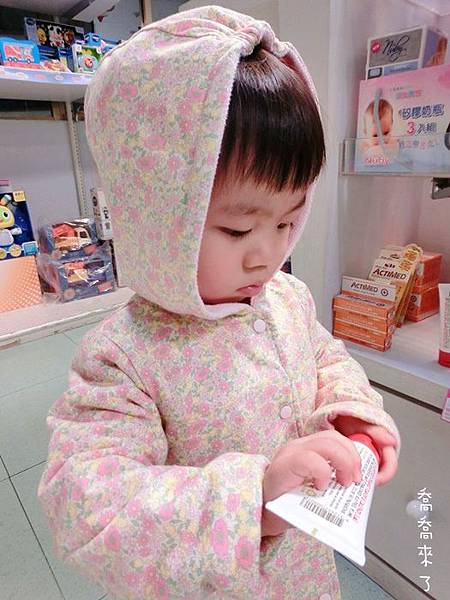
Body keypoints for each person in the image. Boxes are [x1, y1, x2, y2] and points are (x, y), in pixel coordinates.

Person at [38, 6, 400, 599]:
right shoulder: (123, 357)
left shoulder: (285, 297)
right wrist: (251, 499)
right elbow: (86, 506)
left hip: (304, 578)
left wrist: (350, 412)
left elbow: (325, 359)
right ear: (156, 216)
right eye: (237, 230)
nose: (267, 256)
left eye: (286, 222)